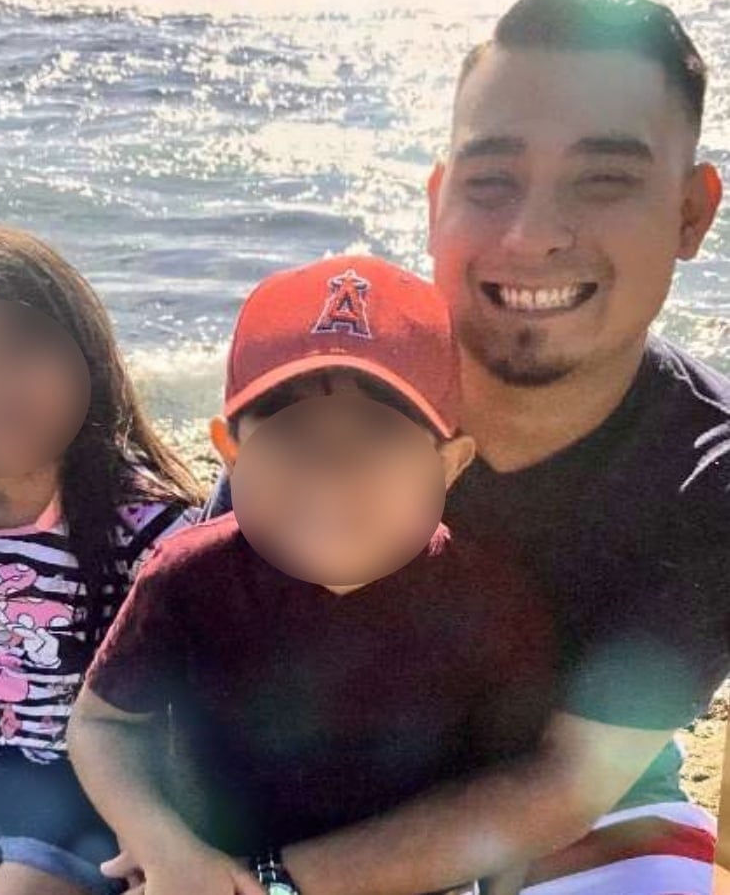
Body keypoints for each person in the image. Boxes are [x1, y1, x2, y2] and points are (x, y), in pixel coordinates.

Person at [189, 0, 730, 895]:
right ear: (439, 200)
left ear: (691, 212)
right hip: (325, 771)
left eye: (605, 180)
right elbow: (206, 651)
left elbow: (564, 784)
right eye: (490, 180)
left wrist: (274, 884)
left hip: (588, 802)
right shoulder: (334, 379)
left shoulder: (706, 484)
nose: (531, 236)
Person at [67, 255, 557, 895]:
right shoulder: (187, 577)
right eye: (291, 429)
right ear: (230, 451)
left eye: (379, 430)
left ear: (451, 464)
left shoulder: (488, 601)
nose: (330, 469)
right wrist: (166, 849)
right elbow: (103, 725)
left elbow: (509, 787)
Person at [0, 219, 203, 895]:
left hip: (104, 783)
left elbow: (198, 693)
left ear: (82, 349)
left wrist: (168, 833)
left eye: (19, 343)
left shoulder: (152, 525)